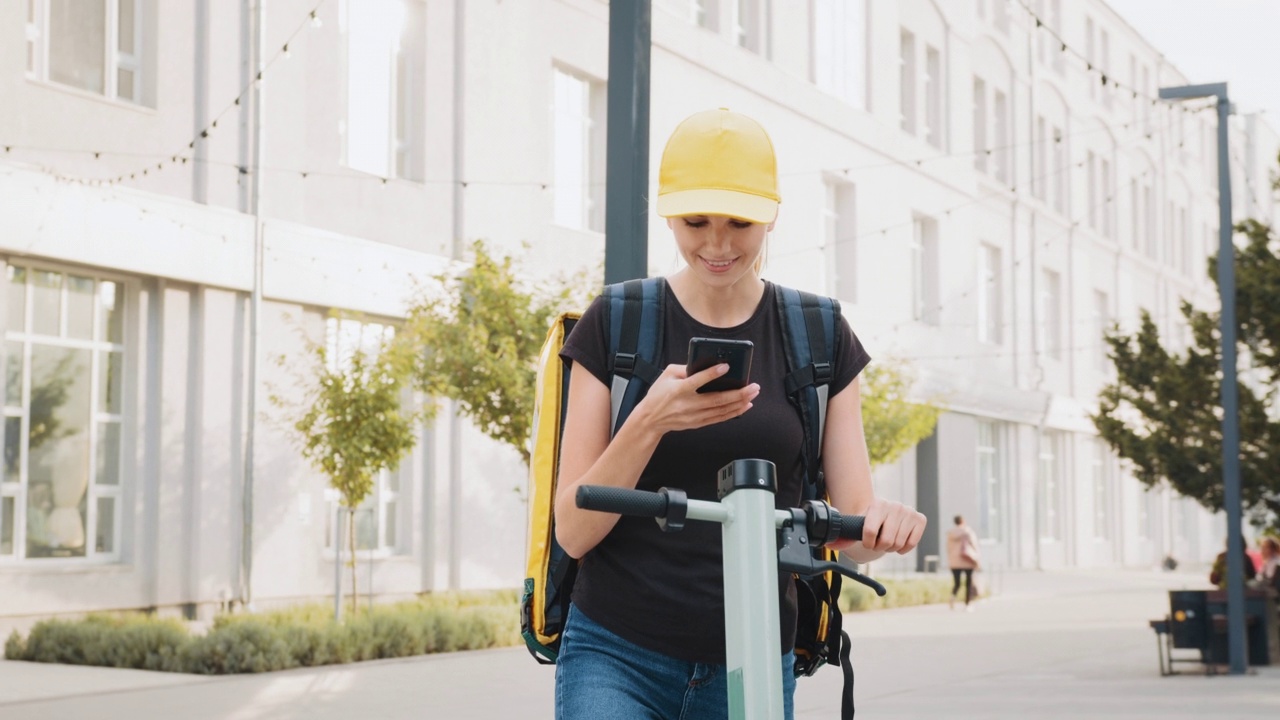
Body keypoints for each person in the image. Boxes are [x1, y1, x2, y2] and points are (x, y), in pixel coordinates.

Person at [552, 108, 928, 720]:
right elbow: (572, 529)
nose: (718, 244)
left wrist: (881, 526)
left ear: (772, 213)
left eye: (740, 222)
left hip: (755, 654)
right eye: (696, 221)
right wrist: (650, 422)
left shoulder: (820, 333)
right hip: (616, 651)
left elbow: (847, 532)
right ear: (667, 211)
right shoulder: (616, 320)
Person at [946, 515, 981, 610]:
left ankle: (952, 597)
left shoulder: (950, 533)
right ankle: (967, 604)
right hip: (967, 560)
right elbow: (974, 545)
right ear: (963, 521)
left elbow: (948, 548)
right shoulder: (968, 532)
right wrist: (977, 559)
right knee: (968, 583)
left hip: (954, 561)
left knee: (957, 583)